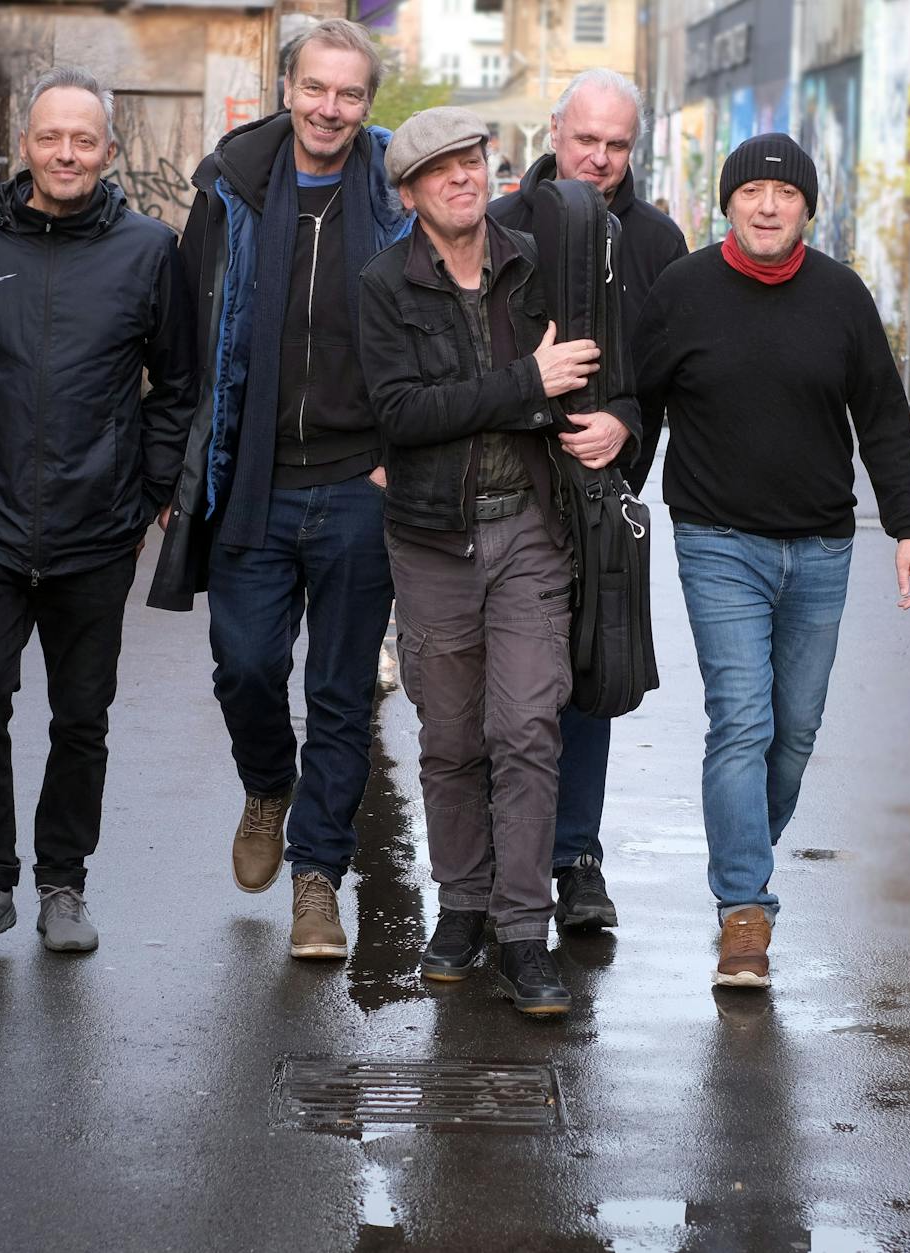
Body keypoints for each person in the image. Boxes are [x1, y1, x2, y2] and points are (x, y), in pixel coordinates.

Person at [632, 134, 910, 989]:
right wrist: (610, 505)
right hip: (718, 541)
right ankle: (744, 910)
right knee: (742, 722)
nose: (768, 206)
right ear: (727, 202)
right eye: (752, 192)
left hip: (822, 547)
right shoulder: (683, 291)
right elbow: (640, 404)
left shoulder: (841, 296)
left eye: (786, 194)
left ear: (808, 207)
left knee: (794, 733)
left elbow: (883, 418)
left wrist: (909, 528)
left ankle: (744, 852)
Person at [357, 107, 639, 1015]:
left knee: (526, 729)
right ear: (409, 194)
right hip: (432, 540)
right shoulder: (383, 285)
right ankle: (462, 907)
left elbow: (606, 374)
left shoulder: (536, 266)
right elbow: (403, 413)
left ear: (489, 168)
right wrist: (525, 386)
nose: (460, 177)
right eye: (438, 169)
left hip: (529, 531)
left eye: (471, 160)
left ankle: (523, 931)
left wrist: (618, 417)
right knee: (449, 738)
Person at [0, 67, 194, 962]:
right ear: (23, 144)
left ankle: (63, 883)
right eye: (50, 137)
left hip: (94, 533)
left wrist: (145, 492)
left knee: (81, 715)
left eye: (83, 139)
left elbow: (176, 386)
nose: (65, 153)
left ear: (108, 150)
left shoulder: (149, 250)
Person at [146, 19, 409, 961]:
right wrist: (178, 468)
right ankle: (267, 784)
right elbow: (188, 335)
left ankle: (317, 880)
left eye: (350, 93)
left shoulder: (395, 191)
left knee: (340, 692)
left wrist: (402, 454)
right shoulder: (231, 186)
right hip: (252, 476)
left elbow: (434, 323)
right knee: (247, 665)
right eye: (316, 88)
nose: (330, 108)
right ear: (288, 87)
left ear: (367, 103)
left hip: (360, 483)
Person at [488, 67, 686, 935]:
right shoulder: (498, 224)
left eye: (617, 145)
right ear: (553, 131)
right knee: (503, 692)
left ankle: (575, 857)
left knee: (588, 675)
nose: (600, 159)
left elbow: (666, 379)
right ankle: (499, 862)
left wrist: (626, 426)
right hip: (502, 487)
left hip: (602, 493)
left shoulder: (658, 241)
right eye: (586, 140)